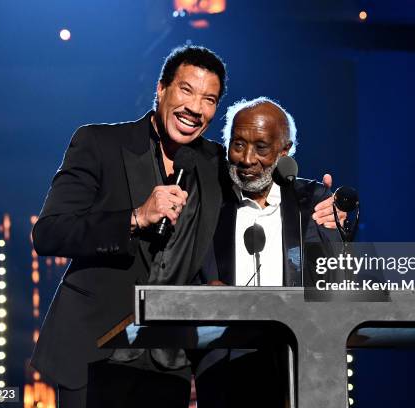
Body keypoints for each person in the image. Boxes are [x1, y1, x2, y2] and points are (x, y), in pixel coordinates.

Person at [31, 46, 343, 407]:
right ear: (161, 89)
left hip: (171, 358)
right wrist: (135, 218)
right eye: (186, 90)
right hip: (95, 348)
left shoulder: (214, 160)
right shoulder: (98, 143)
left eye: (209, 99)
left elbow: (265, 174)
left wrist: (326, 204)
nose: (195, 107)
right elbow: (49, 232)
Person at [195, 97, 342, 408]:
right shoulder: (206, 204)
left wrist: (343, 232)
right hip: (222, 369)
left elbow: (337, 280)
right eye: (237, 145)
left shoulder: (312, 201)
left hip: (296, 367)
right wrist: (203, 295)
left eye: (261, 147)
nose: (247, 159)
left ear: (283, 150)